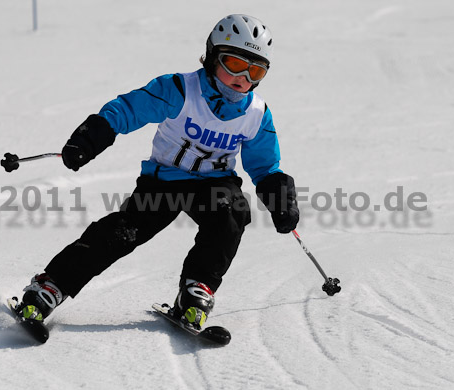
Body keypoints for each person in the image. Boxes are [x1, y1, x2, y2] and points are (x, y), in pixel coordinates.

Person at [16, 14, 300, 329]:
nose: (243, 77)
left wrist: (279, 196)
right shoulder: (180, 89)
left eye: (256, 70)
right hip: (163, 182)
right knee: (123, 233)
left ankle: (197, 290)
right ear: (212, 57)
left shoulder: (256, 114)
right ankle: (50, 286)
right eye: (234, 63)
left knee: (231, 213)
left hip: (214, 185)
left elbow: (264, 164)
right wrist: (90, 137)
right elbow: (127, 109)